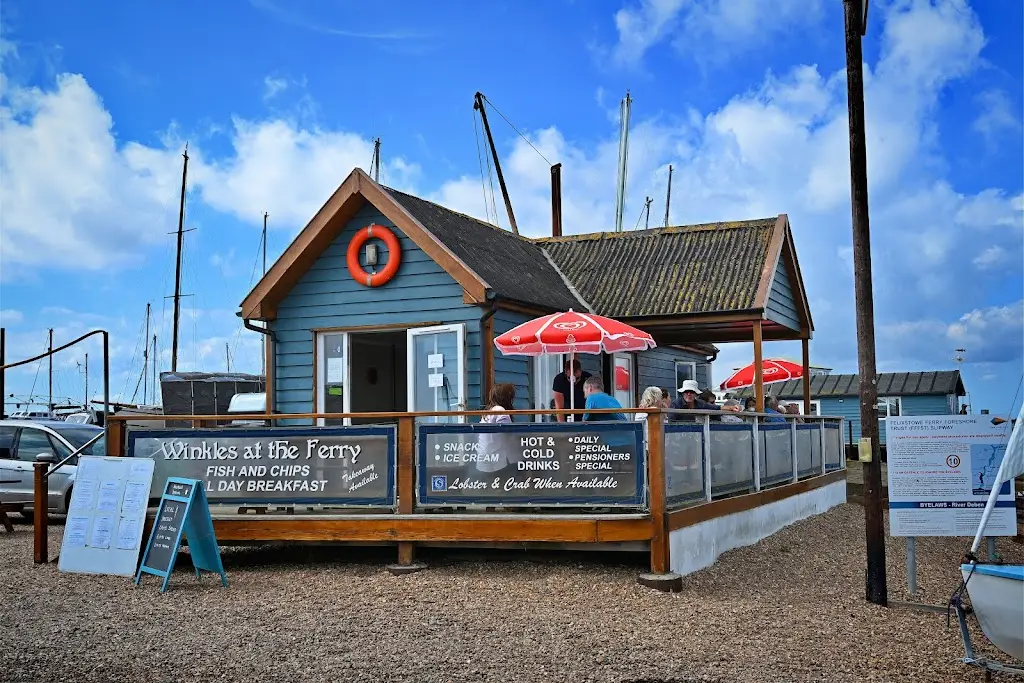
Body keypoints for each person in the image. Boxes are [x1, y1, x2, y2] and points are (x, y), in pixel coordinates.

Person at [477, 383, 516, 474]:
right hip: (496, 461)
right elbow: (508, 433)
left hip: (484, 458)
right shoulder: (500, 410)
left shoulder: (488, 411)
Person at [669, 379, 739, 422]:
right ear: (683, 393)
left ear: (696, 394)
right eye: (686, 391)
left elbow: (717, 407)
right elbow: (670, 425)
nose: (689, 394)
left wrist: (732, 408)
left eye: (692, 392)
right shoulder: (675, 405)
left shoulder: (700, 403)